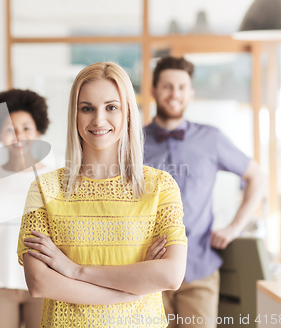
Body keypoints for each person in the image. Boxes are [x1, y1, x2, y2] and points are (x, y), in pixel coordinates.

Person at [16, 62, 188, 328]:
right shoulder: (44, 189)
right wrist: (130, 288)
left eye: (111, 107)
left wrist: (74, 270)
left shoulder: (160, 187)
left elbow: (171, 275)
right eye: (87, 108)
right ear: (75, 114)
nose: (98, 119)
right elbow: (39, 282)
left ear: (128, 113)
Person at [143, 56, 266, 328]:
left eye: (181, 87)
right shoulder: (132, 142)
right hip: (145, 270)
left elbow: (256, 176)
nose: (174, 94)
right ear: (153, 90)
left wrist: (234, 227)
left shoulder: (211, 139)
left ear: (191, 93)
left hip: (198, 270)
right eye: (167, 86)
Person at [0, 89, 54, 328]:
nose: (19, 136)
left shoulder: (55, 177)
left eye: (26, 128)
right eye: (10, 130)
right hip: (0, 281)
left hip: (44, 279)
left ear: (38, 131)